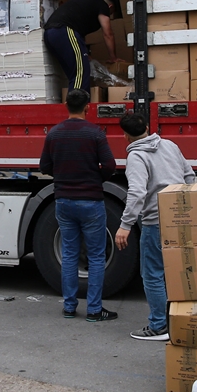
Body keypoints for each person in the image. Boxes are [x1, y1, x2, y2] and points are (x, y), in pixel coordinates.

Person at [114, 114, 196, 341]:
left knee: (152, 274)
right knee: (179, 273)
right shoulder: (170, 145)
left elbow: (138, 192)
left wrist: (125, 225)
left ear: (125, 136)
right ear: (148, 128)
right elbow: (190, 176)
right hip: (181, 219)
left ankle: (159, 326)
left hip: (155, 222)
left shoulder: (136, 156)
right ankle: (184, 320)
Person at [40, 89, 118, 322]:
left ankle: (69, 306)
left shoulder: (54, 133)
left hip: (63, 200)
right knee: (95, 256)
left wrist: (63, 177)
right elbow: (110, 165)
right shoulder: (95, 133)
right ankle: (94, 309)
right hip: (91, 201)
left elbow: (45, 166)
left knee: (70, 254)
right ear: (88, 107)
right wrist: (94, 179)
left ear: (65, 105)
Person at [42, 0, 121, 93]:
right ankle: (78, 106)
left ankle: (73, 102)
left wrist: (85, 52)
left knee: (74, 74)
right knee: (81, 72)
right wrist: (113, 57)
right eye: (110, 13)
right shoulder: (102, 5)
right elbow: (108, 34)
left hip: (50, 35)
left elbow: (79, 32)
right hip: (64, 31)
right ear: (110, 7)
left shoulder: (87, 3)